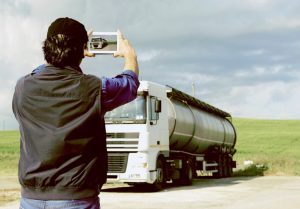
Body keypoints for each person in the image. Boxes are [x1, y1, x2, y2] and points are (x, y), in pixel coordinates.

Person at [12, 17, 139, 209]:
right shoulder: (94, 88)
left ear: (47, 47)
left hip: (31, 200)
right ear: (81, 49)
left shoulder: (22, 87)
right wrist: (130, 57)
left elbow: (45, 72)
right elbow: (129, 85)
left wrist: (69, 54)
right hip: (76, 200)